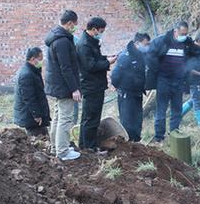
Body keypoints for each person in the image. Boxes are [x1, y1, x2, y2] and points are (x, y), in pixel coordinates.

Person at [145, 21, 196, 143]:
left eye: (186, 33)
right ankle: (159, 137)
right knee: (161, 109)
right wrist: (158, 72)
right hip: (163, 80)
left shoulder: (187, 43)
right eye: (182, 33)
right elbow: (150, 57)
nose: (184, 36)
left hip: (179, 81)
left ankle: (174, 134)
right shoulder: (161, 41)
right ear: (175, 31)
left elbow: (191, 59)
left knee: (177, 110)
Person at [45, 9, 82, 161]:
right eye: (75, 25)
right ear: (69, 23)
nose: (75, 28)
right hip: (64, 86)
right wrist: (74, 89)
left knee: (58, 117)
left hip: (56, 85)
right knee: (65, 118)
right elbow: (65, 67)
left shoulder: (55, 37)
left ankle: (55, 147)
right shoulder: (62, 41)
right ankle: (63, 151)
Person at [76, 17, 117, 152]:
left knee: (89, 117)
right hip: (91, 86)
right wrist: (108, 63)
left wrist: (106, 58)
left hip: (95, 85)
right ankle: (90, 147)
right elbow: (90, 65)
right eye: (101, 31)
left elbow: (95, 59)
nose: (101, 33)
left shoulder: (91, 42)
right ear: (94, 29)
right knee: (91, 118)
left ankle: (84, 145)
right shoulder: (84, 45)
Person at [111, 32, 150, 142]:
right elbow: (115, 75)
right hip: (126, 94)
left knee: (137, 119)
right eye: (145, 44)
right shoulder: (125, 56)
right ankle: (127, 143)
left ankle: (136, 141)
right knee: (128, 120)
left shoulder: (141, 55)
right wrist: (116, 86)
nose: (147, 47)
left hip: (137, 92)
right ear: (137, 43)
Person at [13, 47, 51, 136]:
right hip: (30, 117)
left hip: (33, 115)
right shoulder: (26, 74)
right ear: (33, 59)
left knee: (43, 136)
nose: (42, 61)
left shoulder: (33, 71)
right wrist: (36, 115)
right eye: (40, 59)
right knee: (36, 139)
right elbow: (29, 98)